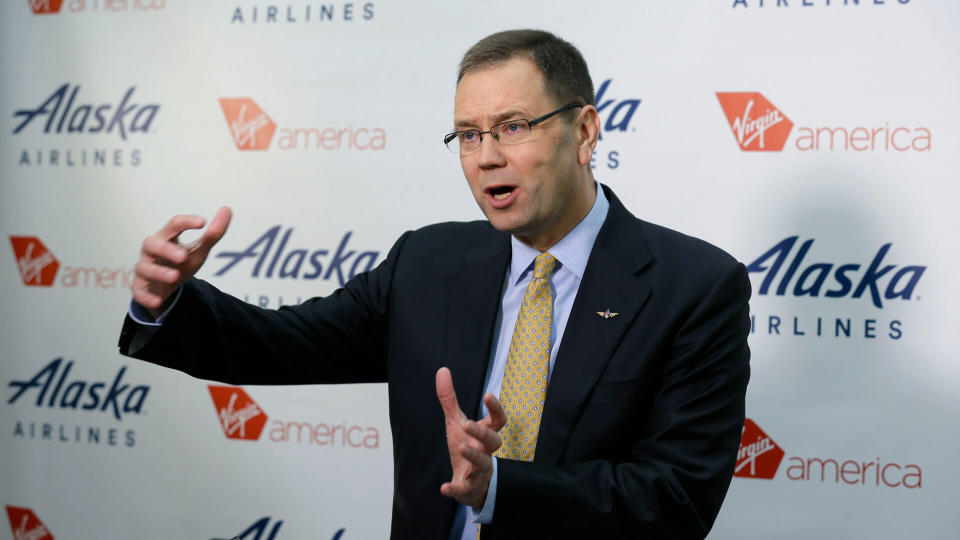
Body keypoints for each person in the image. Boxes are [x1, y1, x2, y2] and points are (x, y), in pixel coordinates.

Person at [119, 29, 751, 540]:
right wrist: (167, 303)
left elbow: (675, 501)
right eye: (469, 135)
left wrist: (501, 489)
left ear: (584, 132)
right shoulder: (428, 261)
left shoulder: (693, 287)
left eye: (513, 126)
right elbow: (285, 342)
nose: (486, 157)